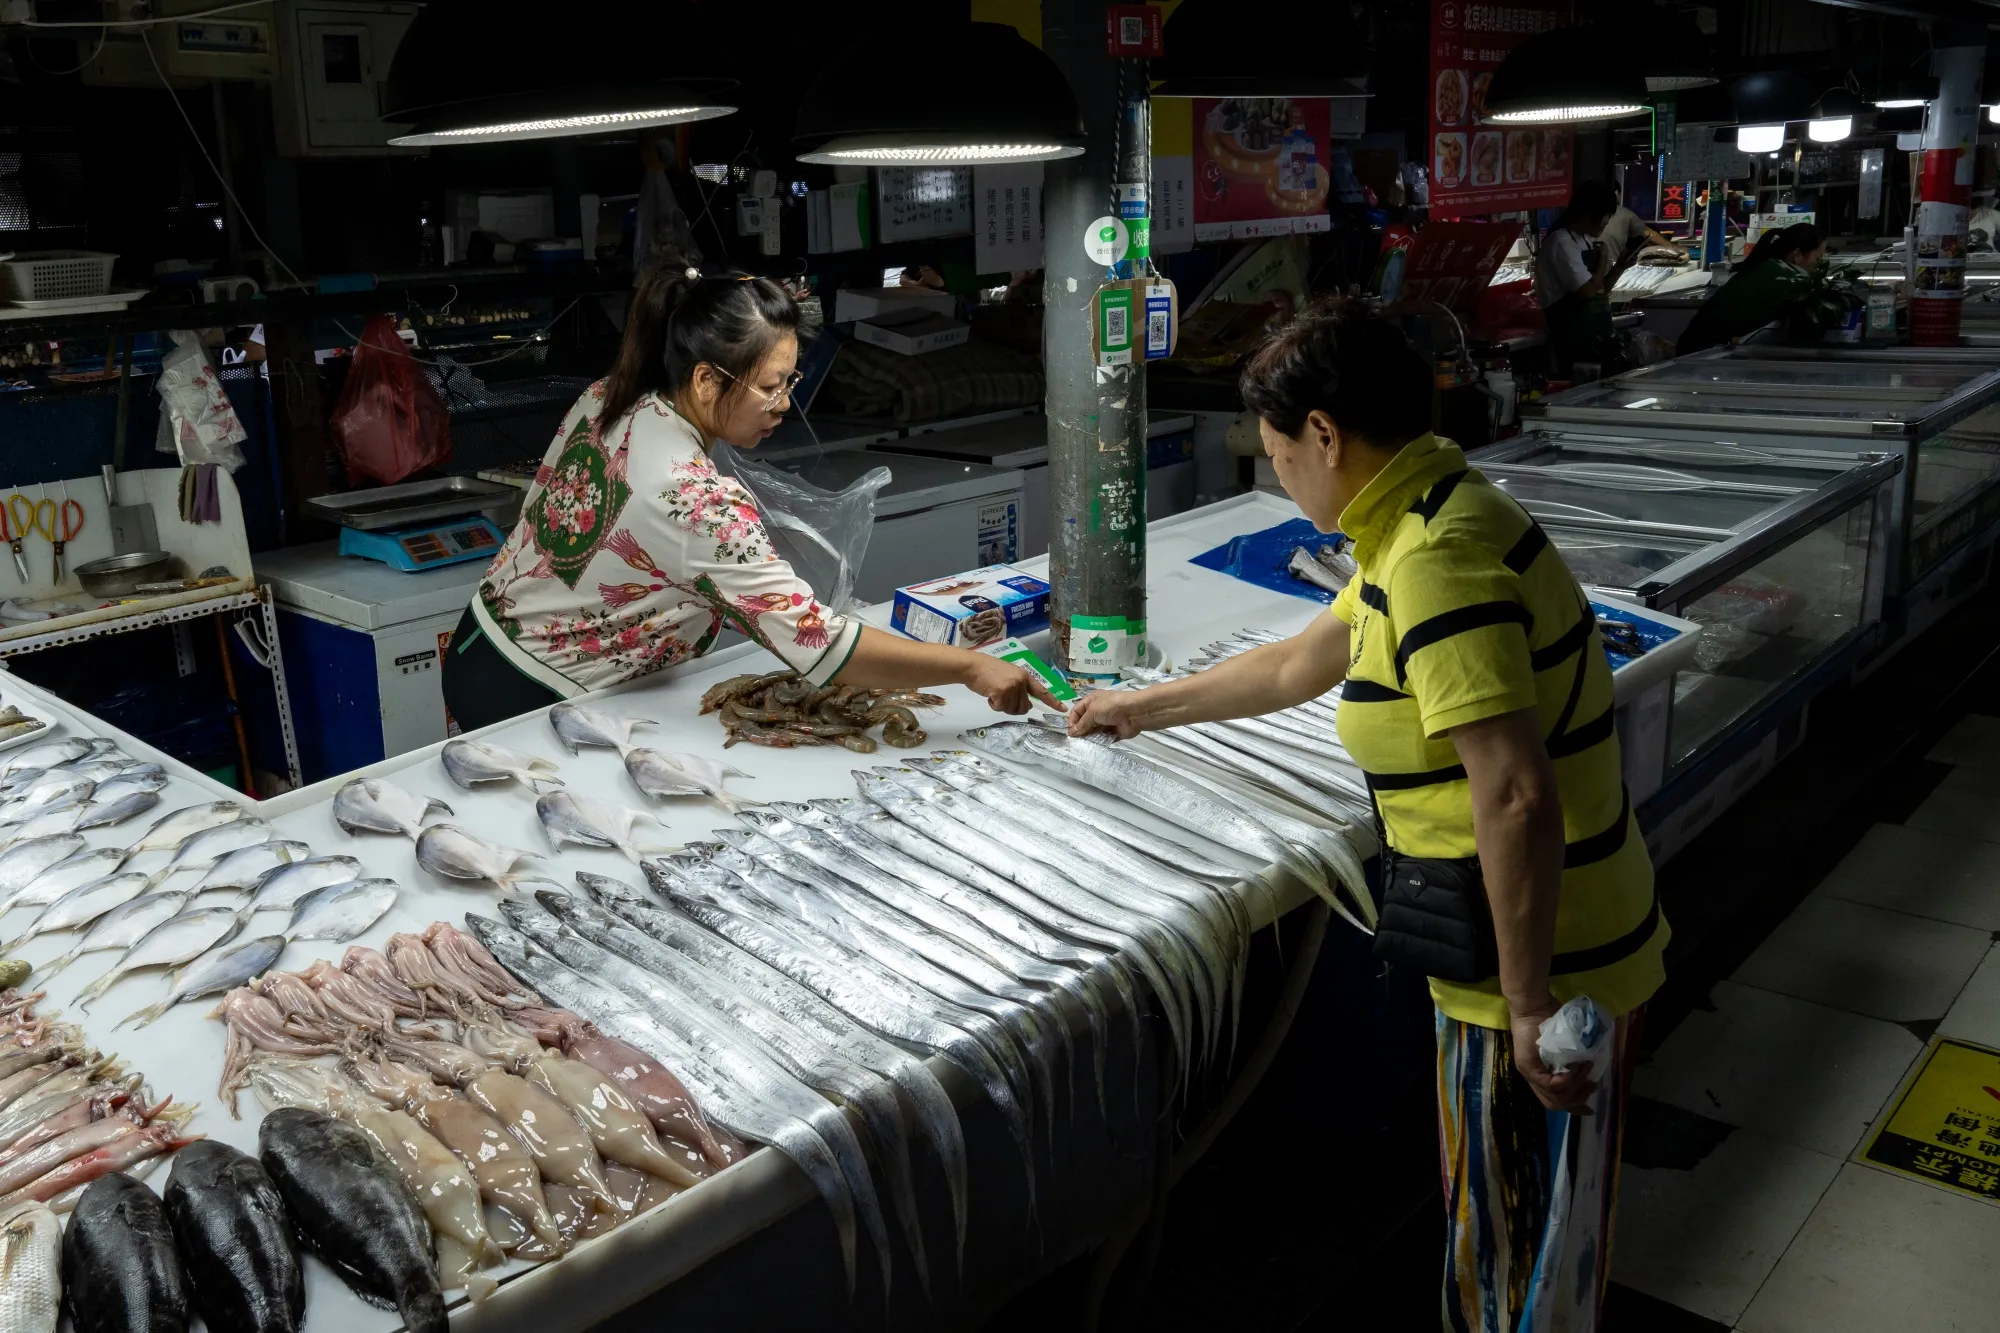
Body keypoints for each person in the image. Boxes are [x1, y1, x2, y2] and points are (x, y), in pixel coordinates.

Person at [1068, 300, 1666, 1331]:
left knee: (1517, 1244)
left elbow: (1514, 794)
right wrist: (1137, 707)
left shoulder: (1436, 561)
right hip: (1522, 936)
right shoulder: (1418, 515)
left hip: (1538, 956)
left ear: (1325, 436)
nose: (1278, 477)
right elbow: (1300, 661)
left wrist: (1524, 1007)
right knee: (1513, 1226)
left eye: (1274, 454)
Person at [442, 254, 1058, 731]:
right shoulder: (696, 503)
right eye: (770, 387)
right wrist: (974, 666)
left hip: (480, 642)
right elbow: (824, 648)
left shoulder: (616, 394)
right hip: (542, 692)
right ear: (707, 379)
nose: (785, 405)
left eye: (791, 381)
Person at [1676, 222, 1828, 355]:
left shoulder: (1763, 266)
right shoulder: (1785, 278)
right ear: (1797, 255)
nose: (1818, 266)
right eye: (1818, 258)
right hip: (1701, 357)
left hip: (1692, 349)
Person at [1535, 186, 1617, 376]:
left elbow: (1600, 290)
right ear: (1588, 214)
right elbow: (1587, 291)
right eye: (1604, 217)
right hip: (1573, 341)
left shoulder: (1585, 240)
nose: (1606, 222)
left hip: (1595, 339)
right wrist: (1603, 259)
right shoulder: (1561, 242)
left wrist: (1620, 266)